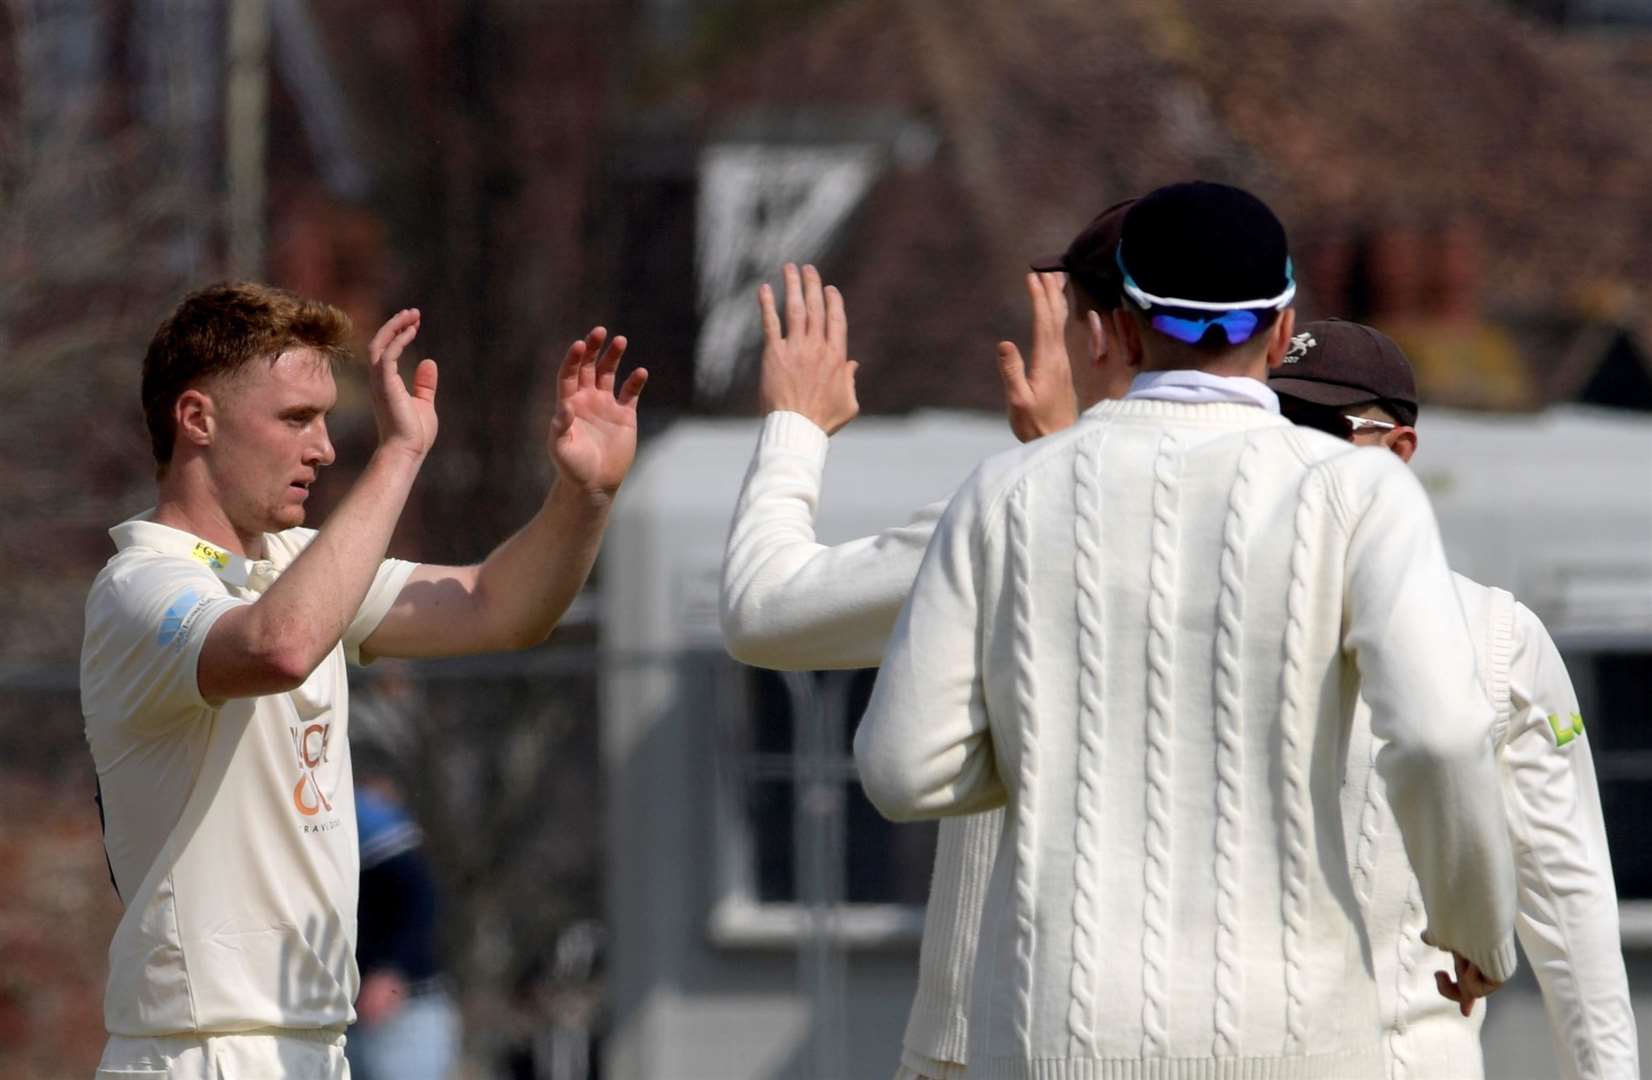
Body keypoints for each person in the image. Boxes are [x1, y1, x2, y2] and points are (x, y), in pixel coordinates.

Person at [853, 181, 1517, 1079]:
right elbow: (1440, 737)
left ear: (1118, 329)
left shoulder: (1004, 492)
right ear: (1283, 330)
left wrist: (1055, 751)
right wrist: (1474, 927)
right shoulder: (1357, 491)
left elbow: (901, 768)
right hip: (1298, 1037)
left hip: (1053, 1033)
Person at [80, 282, 645, 1078]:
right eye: (294, 419)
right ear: (197, 419)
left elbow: (497, 608)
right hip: (202, 1053)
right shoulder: (141, 586)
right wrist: (402, 453)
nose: (323, 447)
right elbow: (281, 645)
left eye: (324, 419)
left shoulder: (292, 567)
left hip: (315, 1044)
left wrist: (584, 494)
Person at [721, 200, 1140, 1080]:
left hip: (1005, 1035)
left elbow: (765, 610)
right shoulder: (1319, 512)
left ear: (1101, 335)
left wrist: (795, 423)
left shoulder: (1013, 509)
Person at [1271, 319, 1639, 1080]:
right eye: (1275, 427)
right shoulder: (1189, 608)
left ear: (1400, 450)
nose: (1293, 453)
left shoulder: (1494, 632)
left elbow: (1568, 896)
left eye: (1321, 429)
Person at [345, 749, 459, 1080]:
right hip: (359, 1016)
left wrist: (393, 970)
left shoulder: (368, 818)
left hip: (404, 1015)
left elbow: (417, 896)